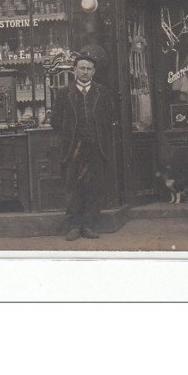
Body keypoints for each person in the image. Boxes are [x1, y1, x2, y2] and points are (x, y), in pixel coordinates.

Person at [50, 53, 114, 241]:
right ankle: (74, 226)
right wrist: (69, 134)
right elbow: (55, 121)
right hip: (72, 147)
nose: (85, 72)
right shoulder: (64, 93)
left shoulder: (102, 93)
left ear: (93, 72)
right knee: (72, 186)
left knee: (94, 187)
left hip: (96, 146)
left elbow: (109, 118)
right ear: (74, 70)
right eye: (82, 68)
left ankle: (88, 225)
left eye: (89, 69)